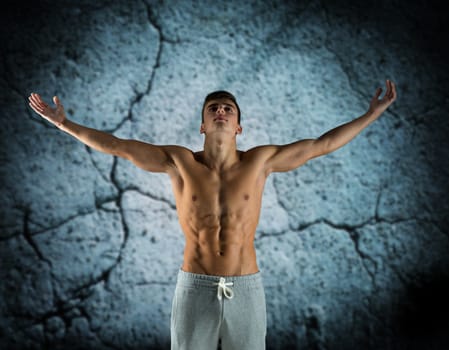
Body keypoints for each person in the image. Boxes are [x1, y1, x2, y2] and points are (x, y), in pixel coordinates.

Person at [28, 80, 397, 350]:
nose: (221, 111)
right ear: (203, 126)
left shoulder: (261, 161)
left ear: (238, 127)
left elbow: (323, 144)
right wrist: (64, 123)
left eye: (228, 109)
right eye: (213, 109)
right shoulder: (179, 161)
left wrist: (371, 114)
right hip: (195, 287)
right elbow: (118, 147)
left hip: (246, 287)